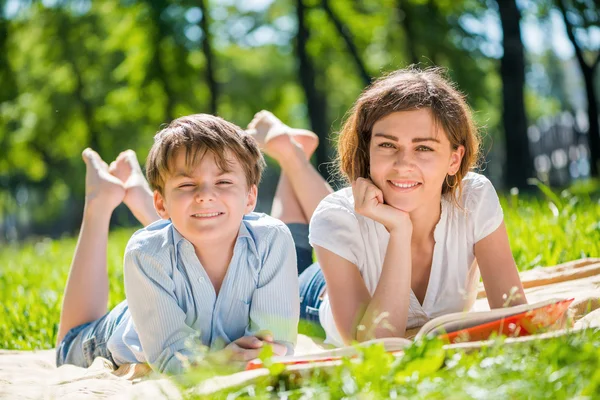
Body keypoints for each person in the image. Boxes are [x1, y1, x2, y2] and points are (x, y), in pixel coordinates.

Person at [55, 112, 331, 374]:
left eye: (223, 182)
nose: (205, 195)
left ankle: (123, 192)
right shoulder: (145, 254)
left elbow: (276, 342)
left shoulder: (271, 240)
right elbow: (169, 356)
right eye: (187, 185)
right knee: (67, 348)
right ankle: (99, 202)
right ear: (161, 204)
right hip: (128, 333)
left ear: (250, 197)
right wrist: (219, 362)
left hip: (169, 302)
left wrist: (261, 351)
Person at [299, 67, 528, 347]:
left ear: (454, 160)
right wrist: (399, 230)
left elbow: (517, 318)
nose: (403, 164)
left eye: (424, 148)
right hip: (313, 297)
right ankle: (291, 154)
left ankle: (292, 152)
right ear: (367, 151)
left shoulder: (474, 199)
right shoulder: (335, 216)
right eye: (387, 145)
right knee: (298, 241)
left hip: (343, 240)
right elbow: (373, 345)